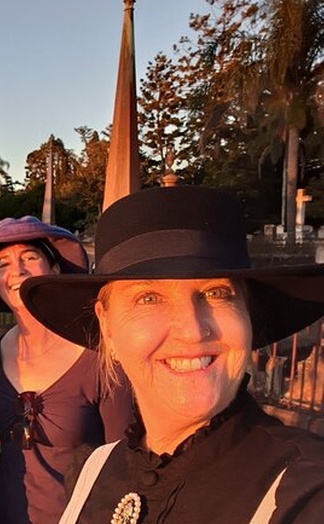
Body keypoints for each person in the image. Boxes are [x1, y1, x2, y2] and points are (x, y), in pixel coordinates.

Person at [19, 186, 324, 523]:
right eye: (149, 298)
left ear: (248, 314)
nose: (193, 330)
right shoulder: (94, 470)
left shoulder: (303, 491)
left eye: (216, 292)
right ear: (106, 326)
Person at [0, 216, 135, 524]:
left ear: (54, 270)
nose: (17, 270)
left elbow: (124, 463)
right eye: (3, 264)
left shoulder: (100, 360)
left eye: (30, 257)